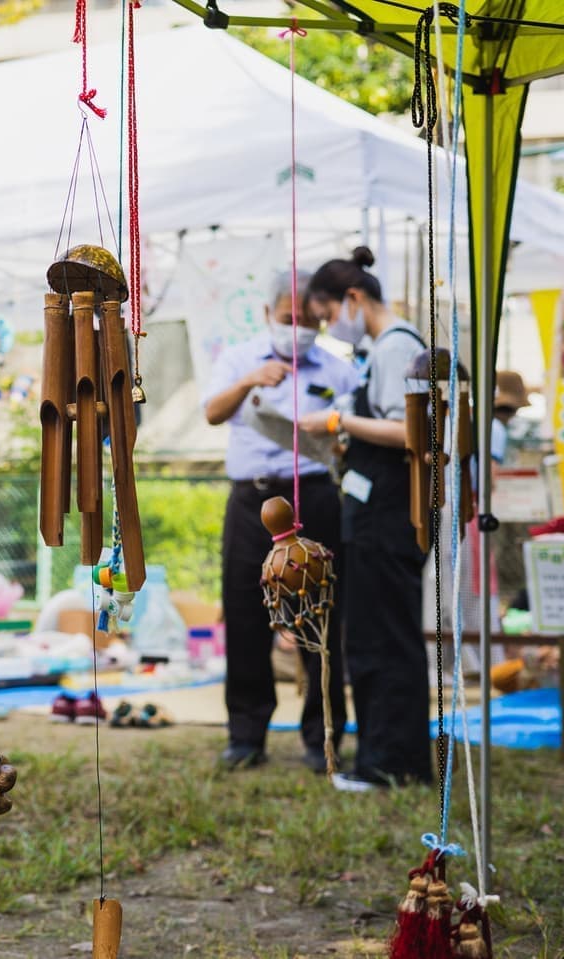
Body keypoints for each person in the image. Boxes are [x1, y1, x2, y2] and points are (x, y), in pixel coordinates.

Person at [202, 270, 357, 773]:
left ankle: (323, 736)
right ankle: (246, 735)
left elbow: (353, 435)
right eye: (290, 318)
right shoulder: (239, 358)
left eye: (309, 320)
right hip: (253, 500)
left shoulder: (338, 369)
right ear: (269, 313)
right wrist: (249, 381)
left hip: (314, 496)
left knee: (322, 613)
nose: (299, 328)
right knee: (245, 615)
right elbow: (212, 412)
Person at [299, 246, 429, 792]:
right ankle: (383, 755)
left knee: (386, 638)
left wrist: (336, 421)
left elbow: (409, 431)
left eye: (329, 314)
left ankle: (391, 762)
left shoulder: (397, 346)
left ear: (353, 298)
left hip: (388, 515)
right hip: (373, 513)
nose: (330, 326)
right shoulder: (384, 348)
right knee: (373, 636)